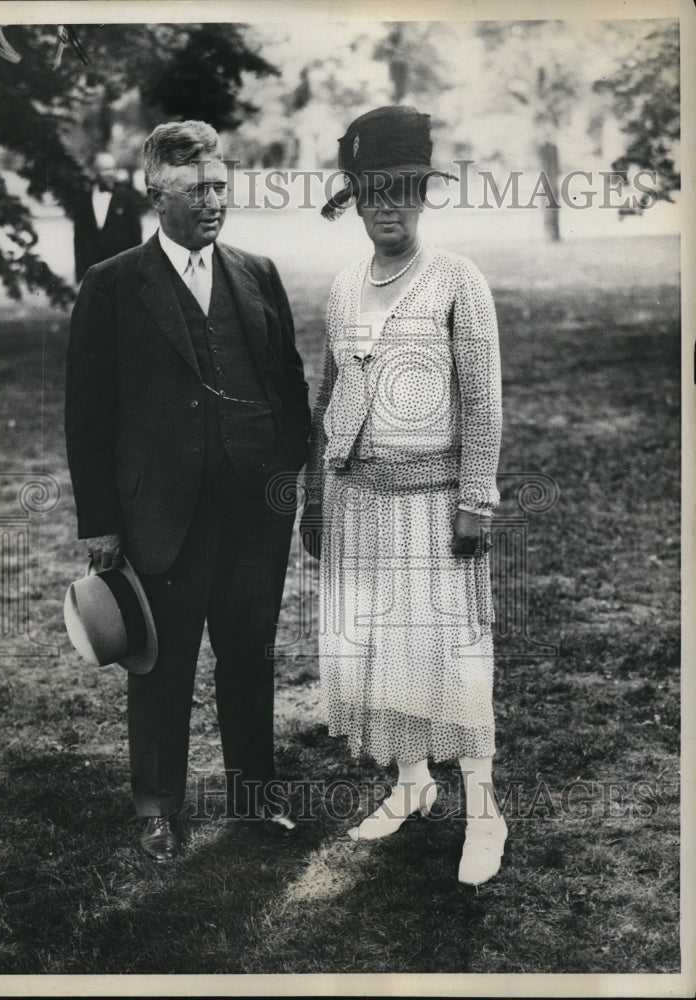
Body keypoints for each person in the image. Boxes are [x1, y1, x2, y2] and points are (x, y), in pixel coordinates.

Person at [65, 121, 311, 862]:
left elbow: (288, 380)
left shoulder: (257, 271)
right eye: (196, 188)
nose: (213, 202)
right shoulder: (112, 286)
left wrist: (288, 473)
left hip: (252, 513)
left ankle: (252, 795)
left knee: (249, 652)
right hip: (161, 515)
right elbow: (88, 413)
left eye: (219, 187)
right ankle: (157, 807)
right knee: (160, 662)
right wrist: (102, 522)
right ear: (154, 192)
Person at [301, 106, 506, 885]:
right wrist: (317, 498)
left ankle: (484, 808)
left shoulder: (458, 280)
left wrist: (475, 501)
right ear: (353, 199)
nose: (387, 209)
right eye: (371, 194)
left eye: (402, 192)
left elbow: (483, 400)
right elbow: (331, 393)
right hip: (358, 500)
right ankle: (410, 778)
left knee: (450, 653)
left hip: (433, 500)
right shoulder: (345, 285)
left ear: (423, 195)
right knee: (382, 649)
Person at [72, 151, 143, 282]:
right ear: (94, 173)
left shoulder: (127, 199)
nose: (111, 174)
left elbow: (136, 238)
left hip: (121, 271)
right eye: (105, 170)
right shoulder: (83, 201)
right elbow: (79, 241)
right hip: (93, 273)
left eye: (113, 169)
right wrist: (80, 277)